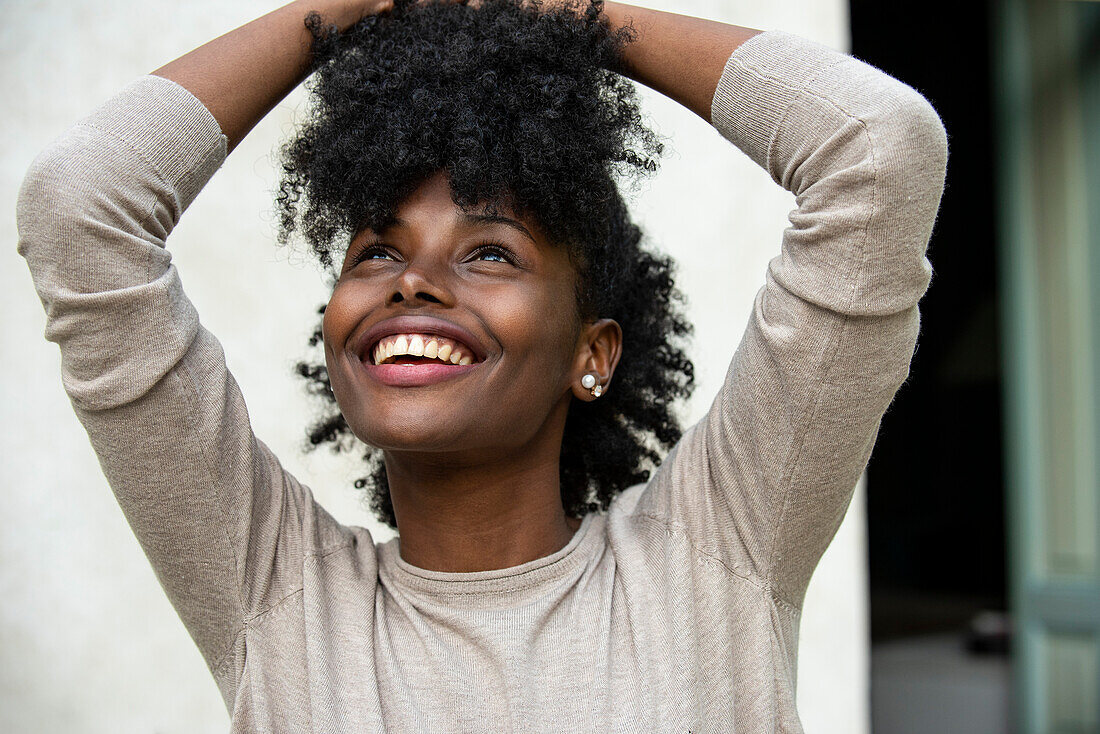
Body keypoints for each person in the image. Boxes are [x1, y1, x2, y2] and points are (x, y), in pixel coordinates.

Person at [15, 0, 947, 731]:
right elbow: (76, 209)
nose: (411, 284)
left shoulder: (720, 558)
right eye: (375, 252)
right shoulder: (279, 602)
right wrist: (339, 14)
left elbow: (878, 148)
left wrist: (574, 19)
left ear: (593, 354)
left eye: (490, 252)